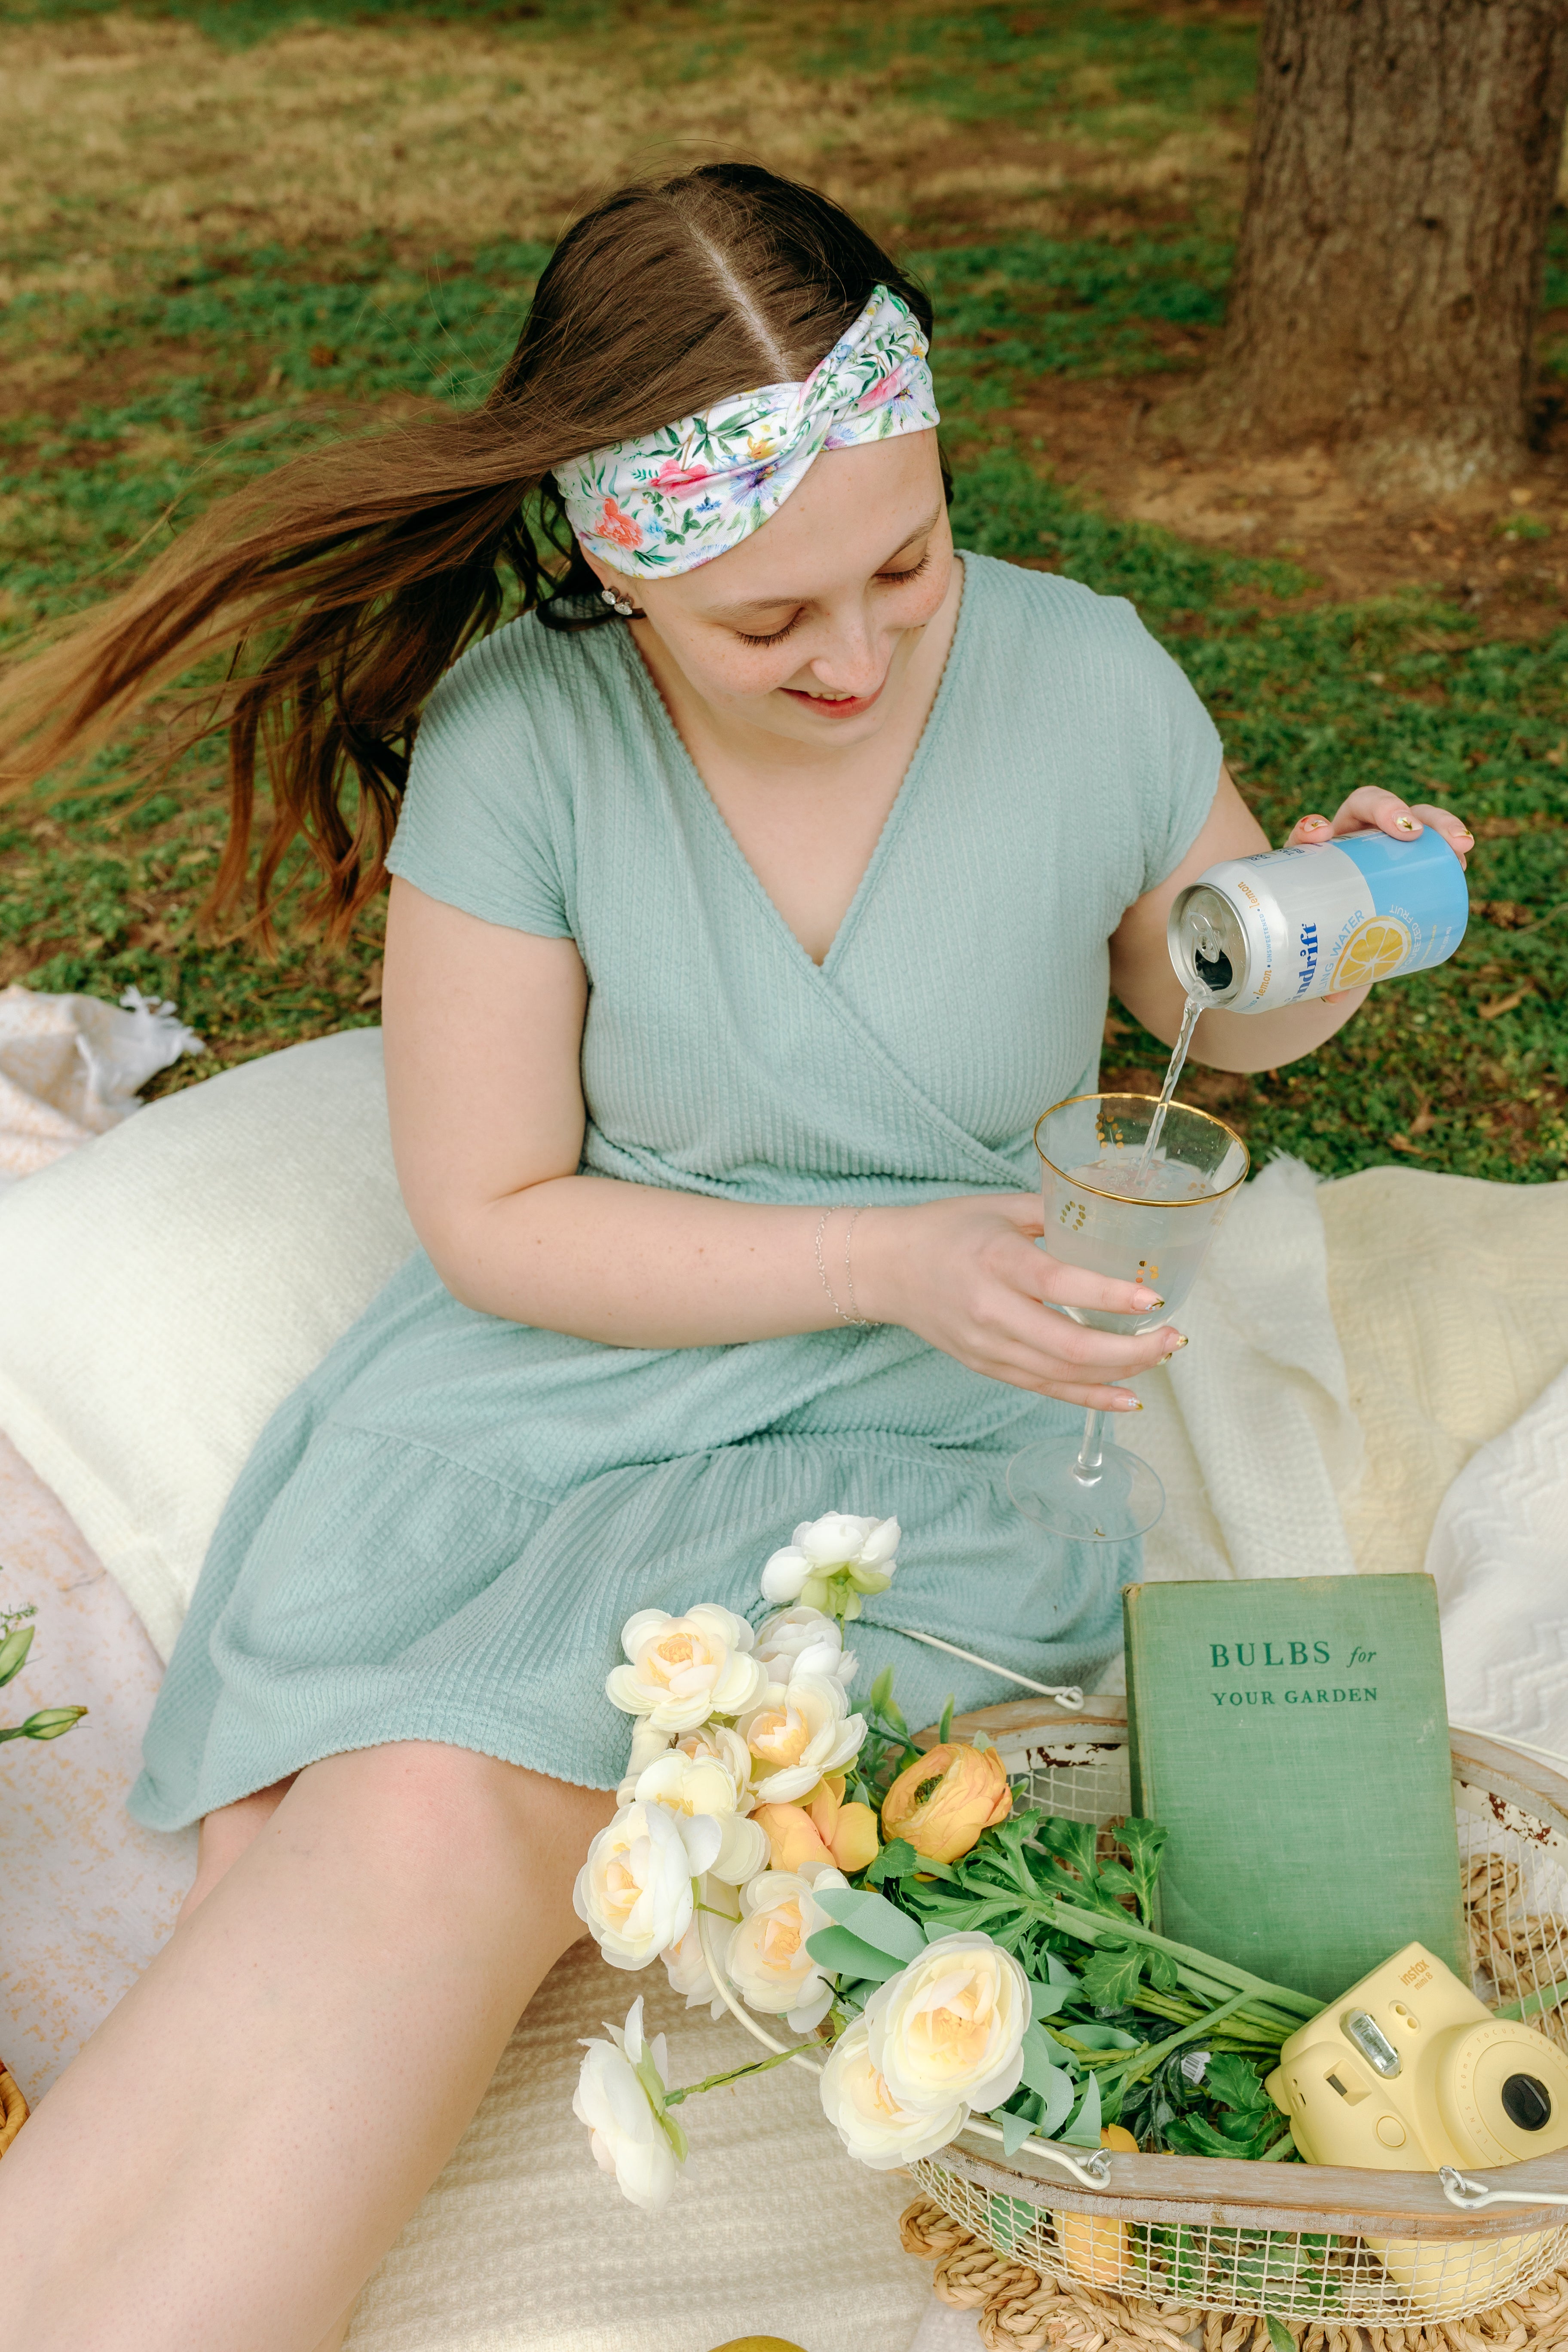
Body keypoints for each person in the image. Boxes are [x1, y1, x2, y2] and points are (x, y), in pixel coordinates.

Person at [0, 163, 1471, 2351]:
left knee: (449, 1814)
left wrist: (1332, 924)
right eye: (768, 624)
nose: (858, 657)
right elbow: (497, 1218)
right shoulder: (529, 739)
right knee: (377, 1823)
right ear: (622, 555)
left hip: (913, 1436)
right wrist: (887, 1257)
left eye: (909, 564)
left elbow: (1210, 996)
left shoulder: (1092, 680)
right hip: (576, 1371)